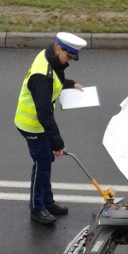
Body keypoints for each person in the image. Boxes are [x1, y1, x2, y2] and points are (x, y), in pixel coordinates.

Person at [14, 31, 87, 225]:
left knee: (46, 163)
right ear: (59, 48)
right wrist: (57, 144)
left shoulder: (50, 57)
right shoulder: (41, 74)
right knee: (42, 164)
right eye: (69, 56)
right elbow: (44, 114)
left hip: (38, 124)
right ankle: (37, 208)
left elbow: (55, 78)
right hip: (31, 125)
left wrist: (71, 84)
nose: (69, 62)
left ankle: (47, 201)